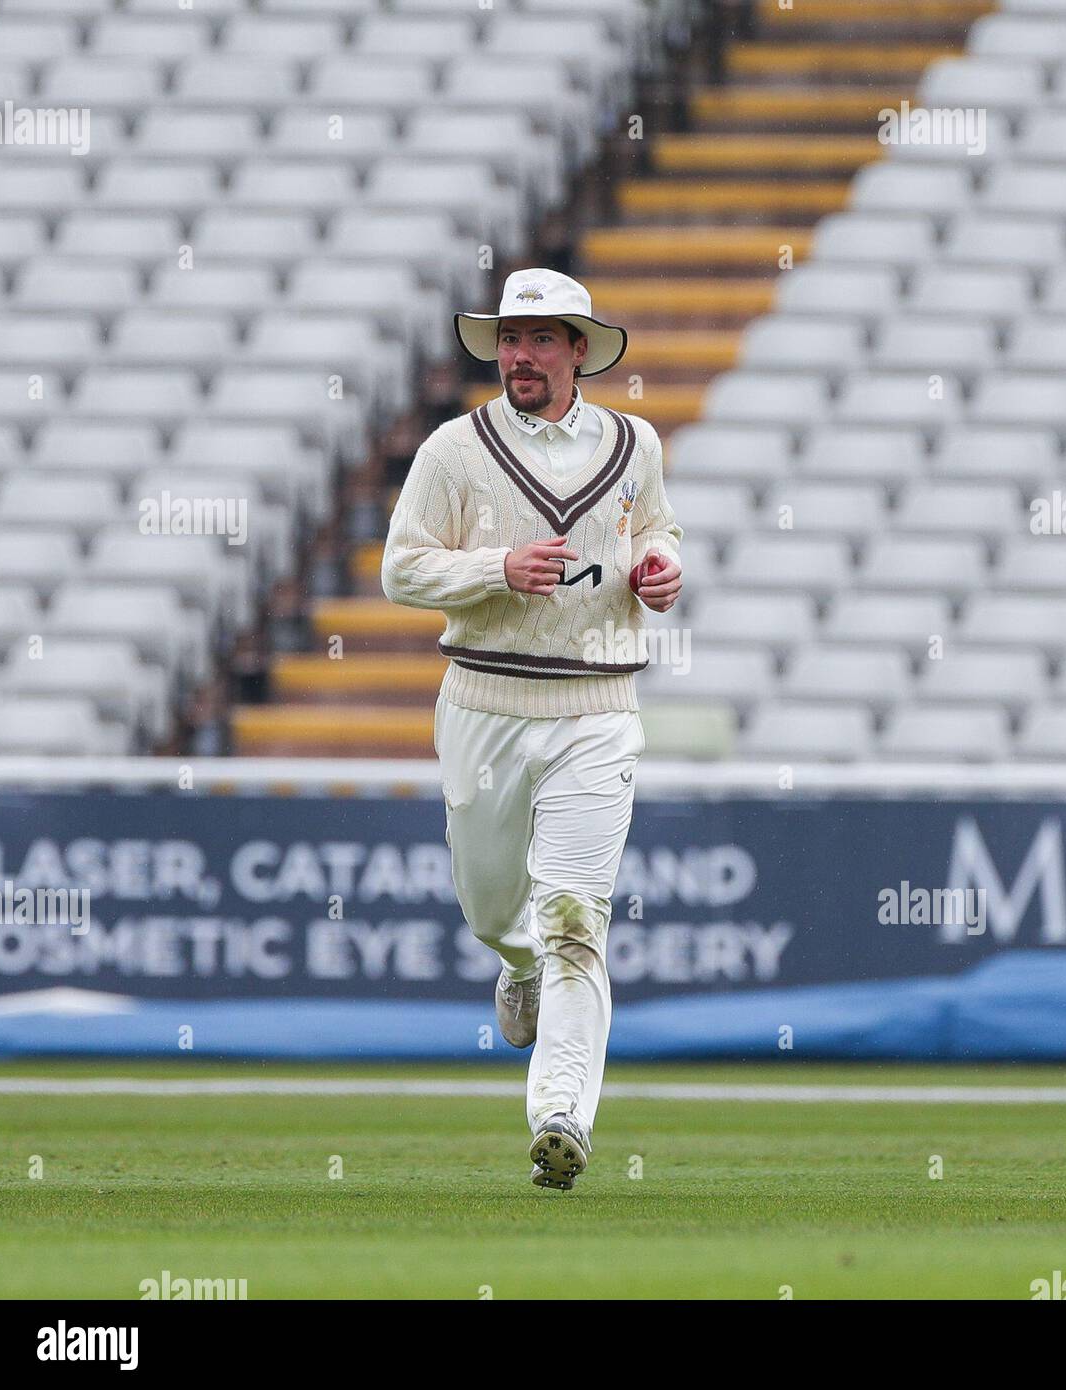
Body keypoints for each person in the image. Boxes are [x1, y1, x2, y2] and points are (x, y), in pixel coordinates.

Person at [381, 267, 682, 1189]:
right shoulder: (453, 451)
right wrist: (496, 569)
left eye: (541, 339)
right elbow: (401, 570)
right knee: (491, 907)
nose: (520, 355)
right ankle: (517, 966)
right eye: (510, 338)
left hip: (597, 709)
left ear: (578, 351)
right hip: (484, 704)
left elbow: (654, 530)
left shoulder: (634, 443)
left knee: (575, 919)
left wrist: (660, 567)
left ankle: (561, 1116)